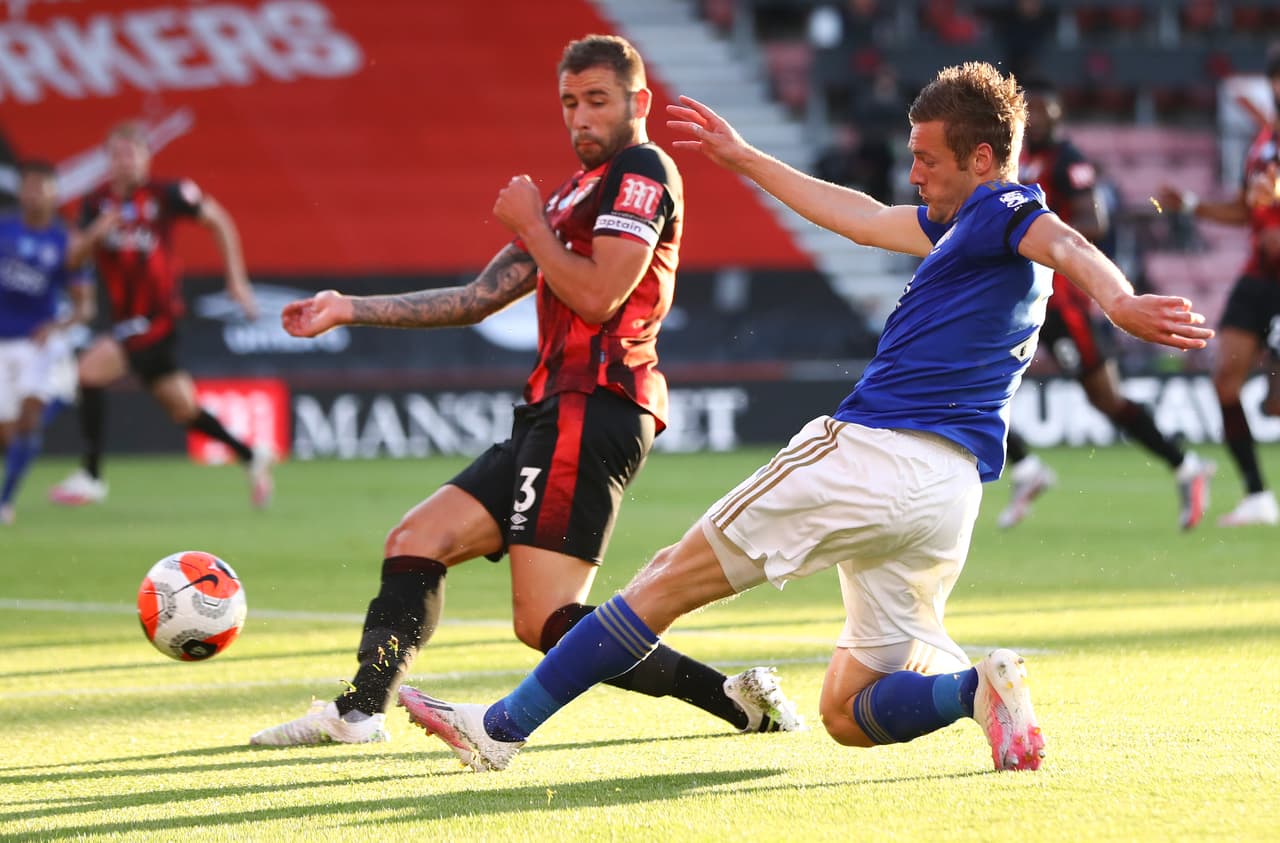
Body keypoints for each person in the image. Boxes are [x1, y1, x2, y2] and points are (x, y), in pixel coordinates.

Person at [393, 62, 1213, 773]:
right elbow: (855, 215)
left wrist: (1121, 300)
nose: (914, 171)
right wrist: (746, 157)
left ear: (985, 158)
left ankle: (498, 728)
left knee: (663, 580)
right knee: (846, 708)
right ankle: (975, 689)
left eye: (928, 159)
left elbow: (1068, 243)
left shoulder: (1004, 210)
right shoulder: (965, 224)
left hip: (872, 455)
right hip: (946, 495)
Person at [249, 34, 803, 748]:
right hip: (551, 408)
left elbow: (603, 296)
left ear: (639, 101)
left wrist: (536, 228)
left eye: (597, 101)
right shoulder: (573, 191)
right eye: (569, 103)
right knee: (416, 540)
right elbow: (479, 298)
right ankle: (359, 711)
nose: (580, 118)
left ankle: (733, 699)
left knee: (544, 619)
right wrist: (347, 306)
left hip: (596, 404)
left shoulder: (643, 170)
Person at [999, 81, 1215, 530]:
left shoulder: (1069, 162)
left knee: (1105, 399)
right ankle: (1025, 469)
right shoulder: (1024, 159)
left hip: (1067, 304)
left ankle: (1186, 464)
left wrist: (1037, 235)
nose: (1036, 118)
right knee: (976, 373)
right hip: (1031, 295)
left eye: (1044, 110)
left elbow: (1093, 222)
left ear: (1059, 115)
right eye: (1029, 111)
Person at [46, 121, 274, 509]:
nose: (126, 161)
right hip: (124, 320)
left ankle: (92, 476)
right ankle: (252, 456)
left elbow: (218, 220)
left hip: (157, 318)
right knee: (182, 408)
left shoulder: (167, 194)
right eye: (118, 154)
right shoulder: (95, 204)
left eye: (133, 153)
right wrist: (95, 235)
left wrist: (237, 280)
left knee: (87, 372)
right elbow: (72, 257)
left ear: (146, 158)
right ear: (108, 160)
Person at [1157, 46, 1280, 527]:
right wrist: (1190, 203)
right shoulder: (1264, 144)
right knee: (1225, 379)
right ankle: (1257, 496)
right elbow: (1247, 211)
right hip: (1259, 275)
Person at [0, 160, 110, 524]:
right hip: (2, 342)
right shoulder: (4, 230)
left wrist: (57, 325)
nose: (34, 195)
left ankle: (5, 501)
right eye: (29, 187)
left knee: (30, 419)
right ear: (21, 191)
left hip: (37, 344)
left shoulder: (66, 242)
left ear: (54, 194)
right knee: (7, 432)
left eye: (42, 188)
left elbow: (85, 305)